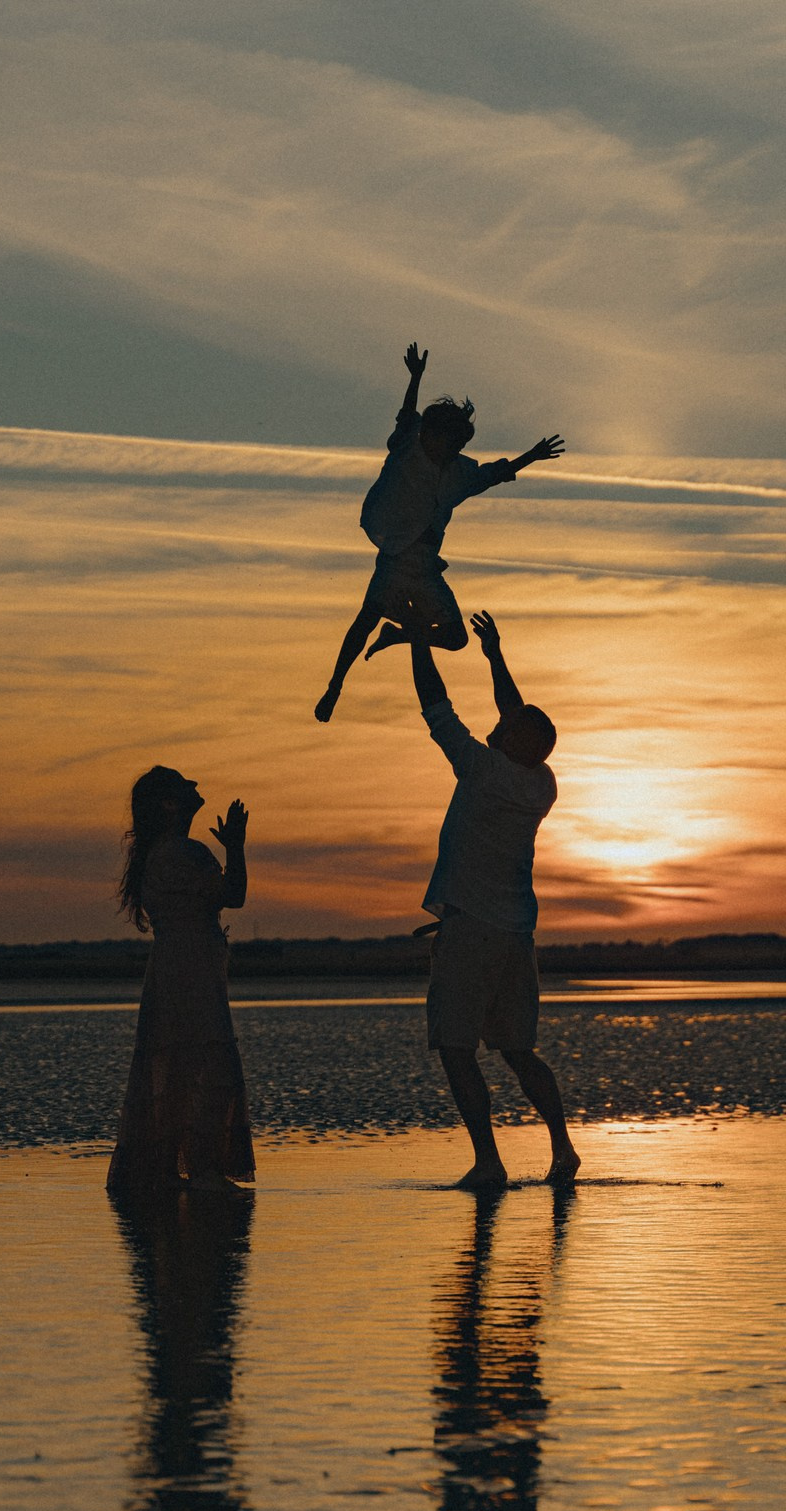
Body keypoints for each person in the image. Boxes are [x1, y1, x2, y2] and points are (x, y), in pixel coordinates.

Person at [409, 612, 580, 1189]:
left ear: (510, 743)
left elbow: (436, 707)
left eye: (503, 730)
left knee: (456, 1049)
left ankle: (489, 1162)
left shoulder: (482, 770)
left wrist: (417, 643)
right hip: (513, 937)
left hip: (472, 935)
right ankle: (562, 1150)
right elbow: (522, 720)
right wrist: (493, 655)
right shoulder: (541, 783)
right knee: (517, 1050)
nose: (494, 729)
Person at [315, 344, 565, 722]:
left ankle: (400, 635)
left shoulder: (459, 474)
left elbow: (495, 474)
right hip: (396, 557)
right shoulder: (408, 445)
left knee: (457, 638)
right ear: (432, 433)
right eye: (451, 441)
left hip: (427, 566)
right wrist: (415, 377)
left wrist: (532, 455)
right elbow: (407, 414)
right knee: (365, 619)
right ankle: (335, 686)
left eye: (460, 445)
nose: (454, 449)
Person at [107, 766, 253, 1196]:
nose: (194, 785)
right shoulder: (182, 853)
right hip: (190, 970)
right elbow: (235, 895)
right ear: (170, 803)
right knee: (203, 1062)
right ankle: (204, 1171)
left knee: (178, 1063)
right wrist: (237, 848)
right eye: (183, 783)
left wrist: (231, 847)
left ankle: (174, 1171)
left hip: (176, 966)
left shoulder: (163, 854)